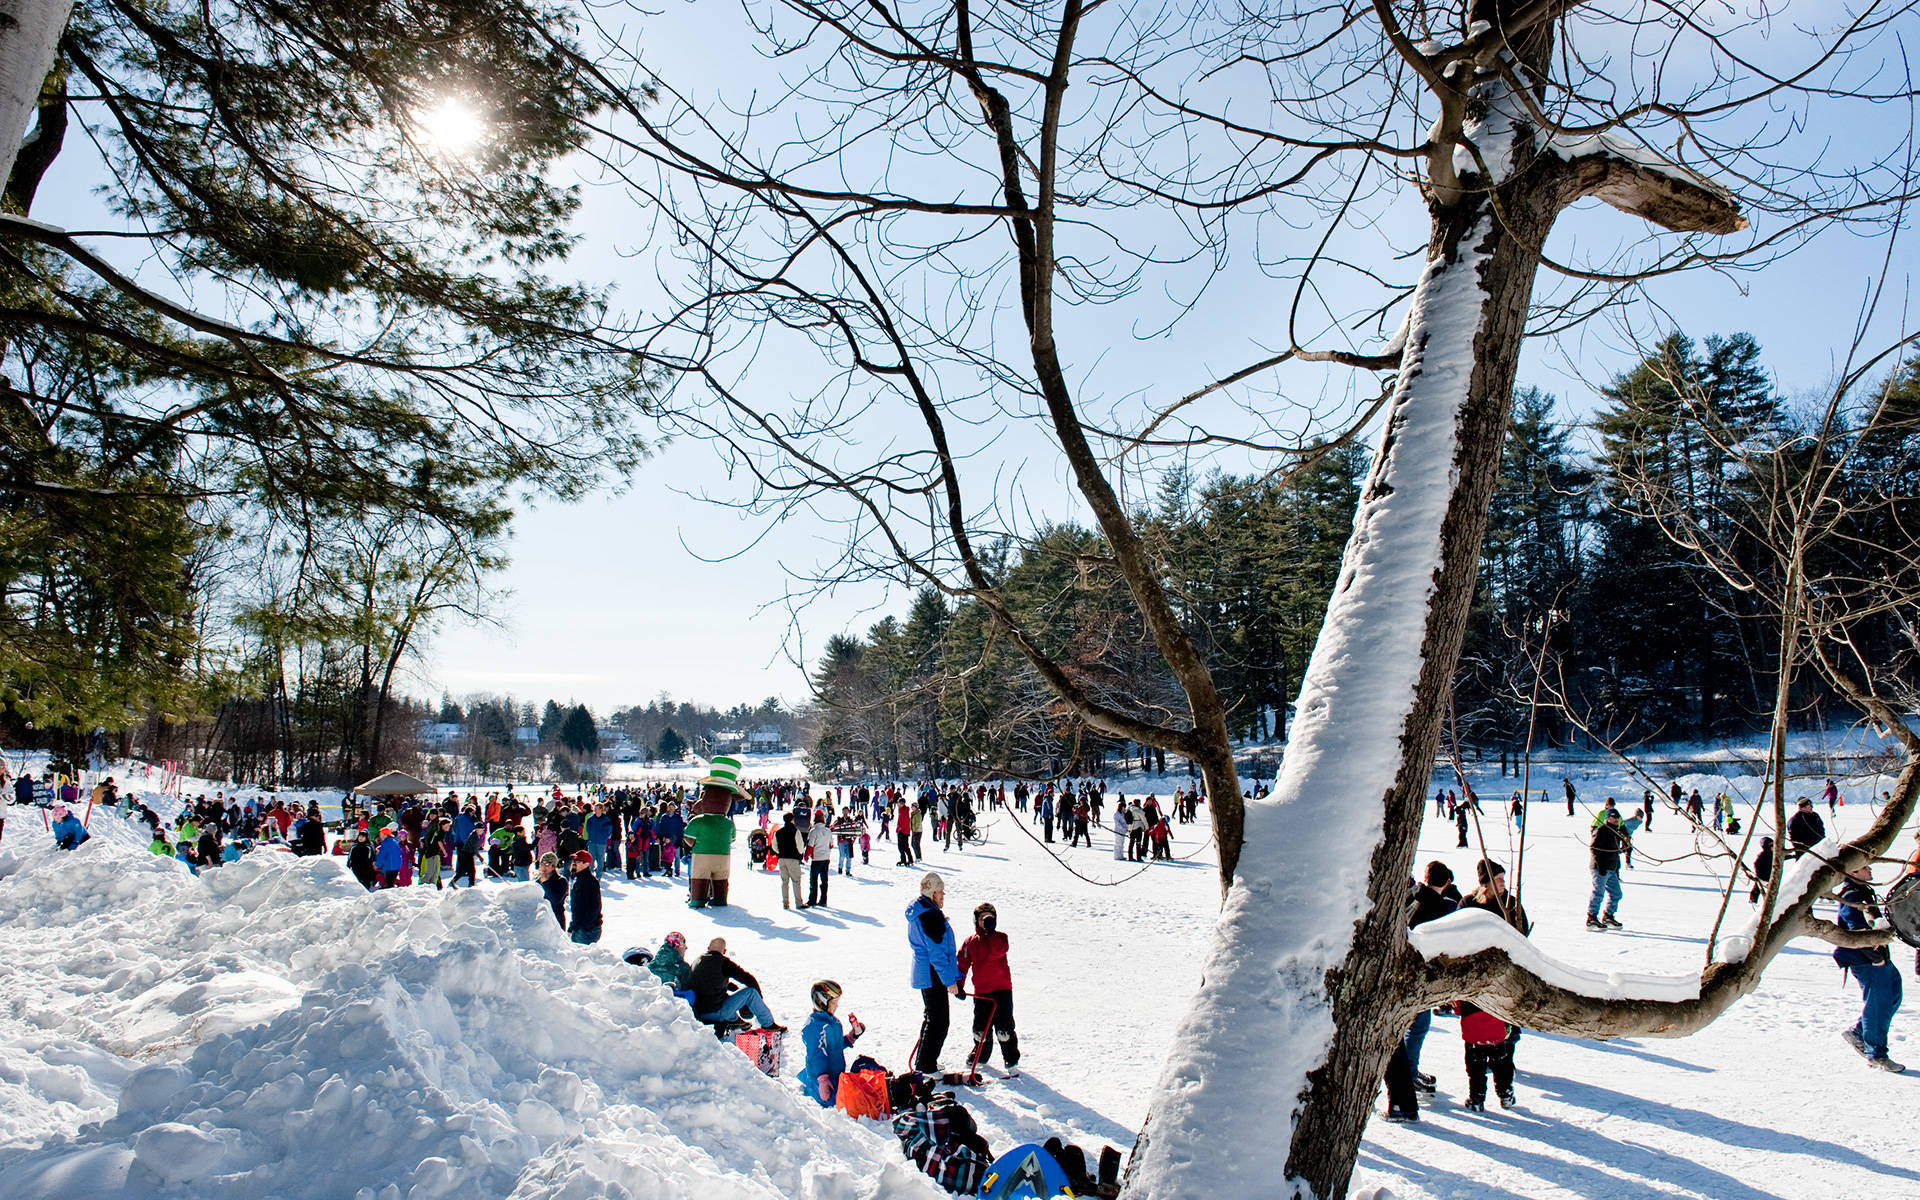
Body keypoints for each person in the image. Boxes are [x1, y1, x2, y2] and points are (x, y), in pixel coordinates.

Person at [1834, 864, 1904, 1071]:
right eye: (1865, 867)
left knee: (1893, 994)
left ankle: (1858, 1033)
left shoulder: (1864, 892)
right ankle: (1876, 1054)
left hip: (1877, 957)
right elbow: (1857, 930)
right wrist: (1875, 958)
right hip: (1865, 959)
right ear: (1853, 872)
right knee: (1878, 1004)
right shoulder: (1852, 896)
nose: (1870, 870)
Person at [907, 871, 962, 1074]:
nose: (943, 896)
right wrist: (950, 982)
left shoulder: (927, 912)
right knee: (939, 1021)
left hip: (929, 973)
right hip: (932, 973)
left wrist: (955, 977)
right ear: (932, 893)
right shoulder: (929, 916)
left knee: (933, 1017)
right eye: (940, 892)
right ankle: (926, 1066)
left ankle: (926, 1061)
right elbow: (937, 954)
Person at [958, 901, 1020, 1074]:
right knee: (980, 1028)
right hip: (982, 992)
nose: (985, 922)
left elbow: (998, 951)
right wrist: (958, 985)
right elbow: (962, 964)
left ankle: (1011, 1059)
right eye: (982, 919)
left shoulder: (1000, 939)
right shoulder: (970, 942)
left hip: (1002, 990)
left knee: (1004, 1028)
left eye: (990, 919)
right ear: (976, 921)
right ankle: (980, 1055)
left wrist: (991, 933)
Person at [685, 757, 745, 909]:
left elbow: (688, 837)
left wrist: (693, 844)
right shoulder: (728, 824)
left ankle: (698, 899)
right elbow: (731, 839)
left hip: (702, 855)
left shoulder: (698, 821)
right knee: (721, 880)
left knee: (700, 878)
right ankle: (719, 897)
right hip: (723, 856)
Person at [688, 937, 782, 1029]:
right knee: (751, 993)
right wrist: (756, 1001)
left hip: (697, 1012)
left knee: (723, 996)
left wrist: (729, 986)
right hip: (715, 1012)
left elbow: (706, 982)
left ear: (708, 948)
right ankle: (769, 1025)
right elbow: (749, 979)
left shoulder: (697, 960)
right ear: (724, 951)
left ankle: (734, 1021)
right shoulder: (723, 963)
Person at [798, 980, 866, 1105]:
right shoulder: (814, 1026)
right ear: (822, 1002)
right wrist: (822, 1079)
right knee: (841, 1103)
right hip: (820, 1080)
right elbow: (815, 1053)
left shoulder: (833, 1022)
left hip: (835, 1075)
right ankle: (809, 1088)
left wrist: (852, 1037)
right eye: (834, 1003)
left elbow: (835, 1046)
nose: (837, 1006)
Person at [1587, 810, 1628, 930]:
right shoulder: (1602, 830)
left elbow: (1614, 850)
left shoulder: (1616, 831)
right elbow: (1594, 848)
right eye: (1614, 817)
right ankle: (1592, 917)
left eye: (1618, 817)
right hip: (1600, 868)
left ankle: (1608, 915)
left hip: (1611, 868)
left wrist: (1624, 847)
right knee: (1598, 893)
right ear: (1608, 818)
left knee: (1616, 894)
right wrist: (1600, 865)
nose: (1616, 819)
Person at [567, 849, 603, 945]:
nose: (574, 863)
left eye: (577, 861)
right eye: (573, 860)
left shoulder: (589, 881)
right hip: (579, 927)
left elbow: (594, 907)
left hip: (586, 931)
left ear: (587, 864)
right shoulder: (578, 878)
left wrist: (585, 927)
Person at [775, 811, 805, 909]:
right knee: (796, 881)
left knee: (784, 882)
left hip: (782, 858)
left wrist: (780, 852)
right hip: (793, 858)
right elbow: (800, 846)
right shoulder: (796, 831)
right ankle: (798, 903)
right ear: (792, 820)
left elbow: (774, 846)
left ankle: (785, 902)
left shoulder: (778, 832)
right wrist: (800, 854)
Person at [806, 811, 834, 908]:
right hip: (826, 858)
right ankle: (823, 900)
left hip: (816, 858)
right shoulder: (828, 831)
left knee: (814, 880)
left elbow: (810, 846)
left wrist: (806, 856)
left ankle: (812, 900)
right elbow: (831, 845)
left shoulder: (813, 831)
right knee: (824, 880)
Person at [537, 852, 567, 927]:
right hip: (540, 920)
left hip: (556, 920)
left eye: (547, 864)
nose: (543, 867)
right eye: (541, 864)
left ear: (553, 867)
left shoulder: (561, 881)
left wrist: (545, 883)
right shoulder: (537, 881)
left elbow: (556, 900)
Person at [1749, 836, 1775, 904]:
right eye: (1770, 845)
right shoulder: (1763, 855)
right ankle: (1753, 900)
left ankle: (1771, 901)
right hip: (1762, 875)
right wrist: (1759, 874)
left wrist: (1791, 856)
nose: (1772, 846)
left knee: (1772, 889)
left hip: (1770, 874)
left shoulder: (1773, 853)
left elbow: (1780, 858)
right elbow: (1756, 864)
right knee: (1757, 888)